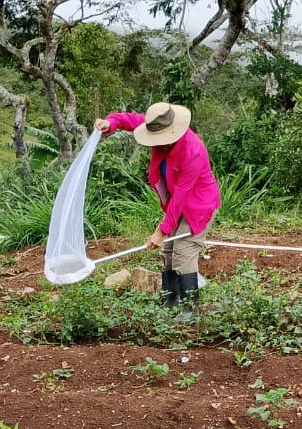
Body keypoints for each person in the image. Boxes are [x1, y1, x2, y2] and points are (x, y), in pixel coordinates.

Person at [94, 102, 221, 314]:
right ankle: (170, 304)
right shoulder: (156, 123)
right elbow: (131, 120)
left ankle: (189, 312)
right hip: (175, 202)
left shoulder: (193, 150)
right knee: (167, 251)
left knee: (183, 252)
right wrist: (111, 122)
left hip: (199, 204)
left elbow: (182, 195)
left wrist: (161, 231)